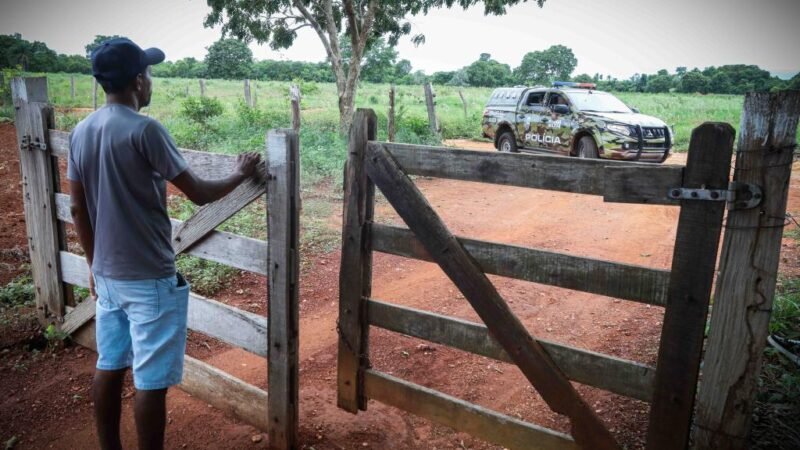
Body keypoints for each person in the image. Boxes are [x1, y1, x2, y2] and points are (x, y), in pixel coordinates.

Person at [68, 38, 261, 450]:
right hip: (149, 277)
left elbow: (77, 209)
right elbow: (199, 192)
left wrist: (92, 264)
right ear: (138, 81)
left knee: (109, 363)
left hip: (107, 277)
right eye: (149, 74)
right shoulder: (146, 130)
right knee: (151, 381)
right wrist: (240, 173)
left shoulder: (81, 131)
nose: (150, 81)